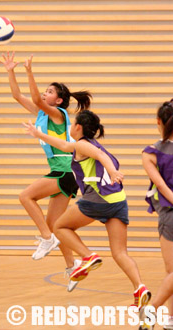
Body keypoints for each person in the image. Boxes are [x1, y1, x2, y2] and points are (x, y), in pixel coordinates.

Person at [24, 109, 151, 308]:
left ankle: (88, 256)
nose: (70, 127)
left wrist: (113, 171)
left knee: (59, 227)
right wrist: (38, 134)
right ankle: (140, 288)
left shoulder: (83, 144)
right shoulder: (84, 145)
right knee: (120, 253)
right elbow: (63, 145)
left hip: (98, 198)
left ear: (78, 127)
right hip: (118, 201)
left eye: (72, 124)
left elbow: (101, 157)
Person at [0, 51, 92, 292]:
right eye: (46, 90)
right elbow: (17, 95)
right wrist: (11, 70)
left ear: (59, 101)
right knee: (55, 223)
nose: (44, 93)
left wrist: (29, 71)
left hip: (64, 171)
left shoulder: (58, 114)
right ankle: (72, 267)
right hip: (63, 173)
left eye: (50, 92)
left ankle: (46, 239)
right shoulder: (42, 113)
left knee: (25, 196)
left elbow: (36, 99)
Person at [140, 100, 173, 329]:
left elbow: (161, 187)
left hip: (167, 215)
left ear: (159, 122)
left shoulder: (151, 152)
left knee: (171, 271)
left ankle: (159, 314)